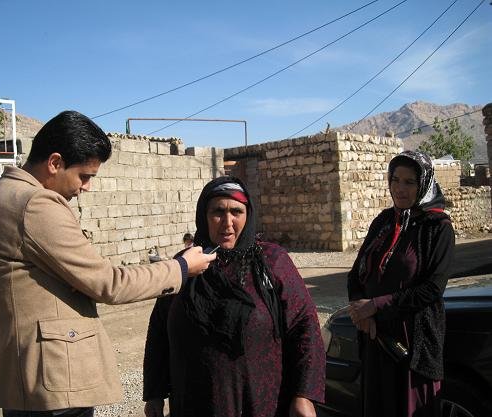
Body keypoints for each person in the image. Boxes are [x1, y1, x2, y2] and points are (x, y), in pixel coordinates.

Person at [0, 110, 216, 417]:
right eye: (84, 176)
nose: (86, 187)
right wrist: (181, 268)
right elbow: (109, 283)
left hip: (30, 379)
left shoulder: (5, 193)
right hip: (53, 384)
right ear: (55, 162)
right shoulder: (35, 204)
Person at [143, 176, 325, 417]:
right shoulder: (186, 264)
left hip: (260, 402)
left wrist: (304, 396)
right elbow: (159, 329)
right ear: (203, 216)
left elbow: (305, 325)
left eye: (236, 212)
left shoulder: (272, 261)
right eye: (218, 211)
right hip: (194, 402)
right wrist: (154, 393)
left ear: (248, 215)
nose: (227, 223)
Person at [347, 150, 455, 417]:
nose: (400, 188)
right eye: (395, 179)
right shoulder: (383, 221)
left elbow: (432, 289)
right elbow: (355, 273)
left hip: (413, 342)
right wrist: (361, 312)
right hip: (375, 337)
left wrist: (375, 306)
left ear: (424, 184)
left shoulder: (438, 228)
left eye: (409, 182)